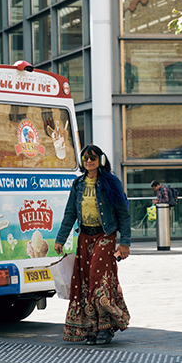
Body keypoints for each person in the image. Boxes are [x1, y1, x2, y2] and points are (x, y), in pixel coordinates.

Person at [54, 144, 131, 346]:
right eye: (86, 158)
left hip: (105, 236)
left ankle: (105, 327)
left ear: (101, 160)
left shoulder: (111, 182)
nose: (89, 161)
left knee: (98, 278)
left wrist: (125, 243)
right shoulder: (78, 184)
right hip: (84, 237)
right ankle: (91, 327)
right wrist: (60, 239)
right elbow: (70, 213)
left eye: (93, 158)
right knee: (85, 282)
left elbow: (123, 213)